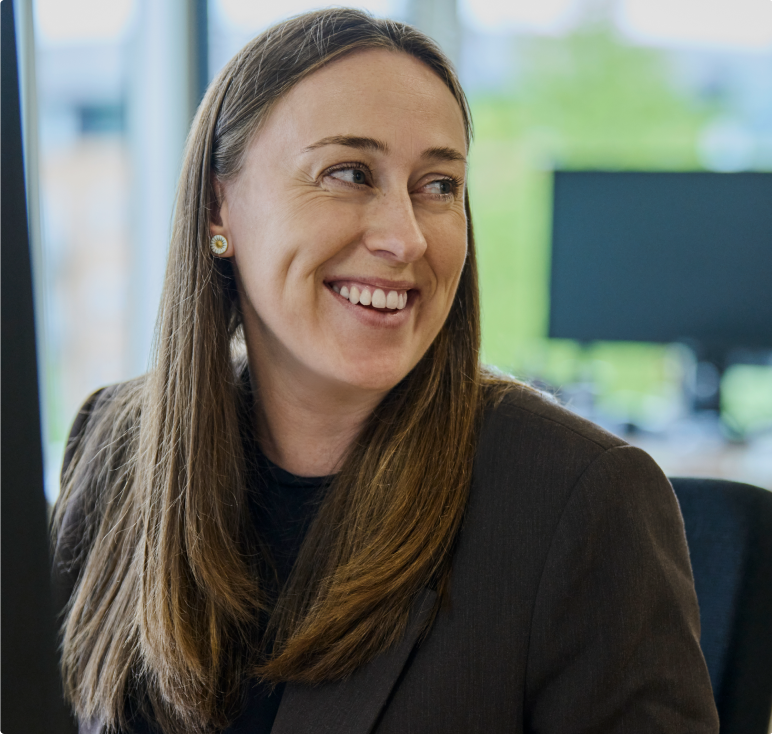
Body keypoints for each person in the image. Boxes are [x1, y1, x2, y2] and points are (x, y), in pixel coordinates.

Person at [52, 8, 719, 734]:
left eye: (439, 186)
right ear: (220, 206)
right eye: (348, 174)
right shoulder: (115, 445)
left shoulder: (580, 500)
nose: (405, 238)